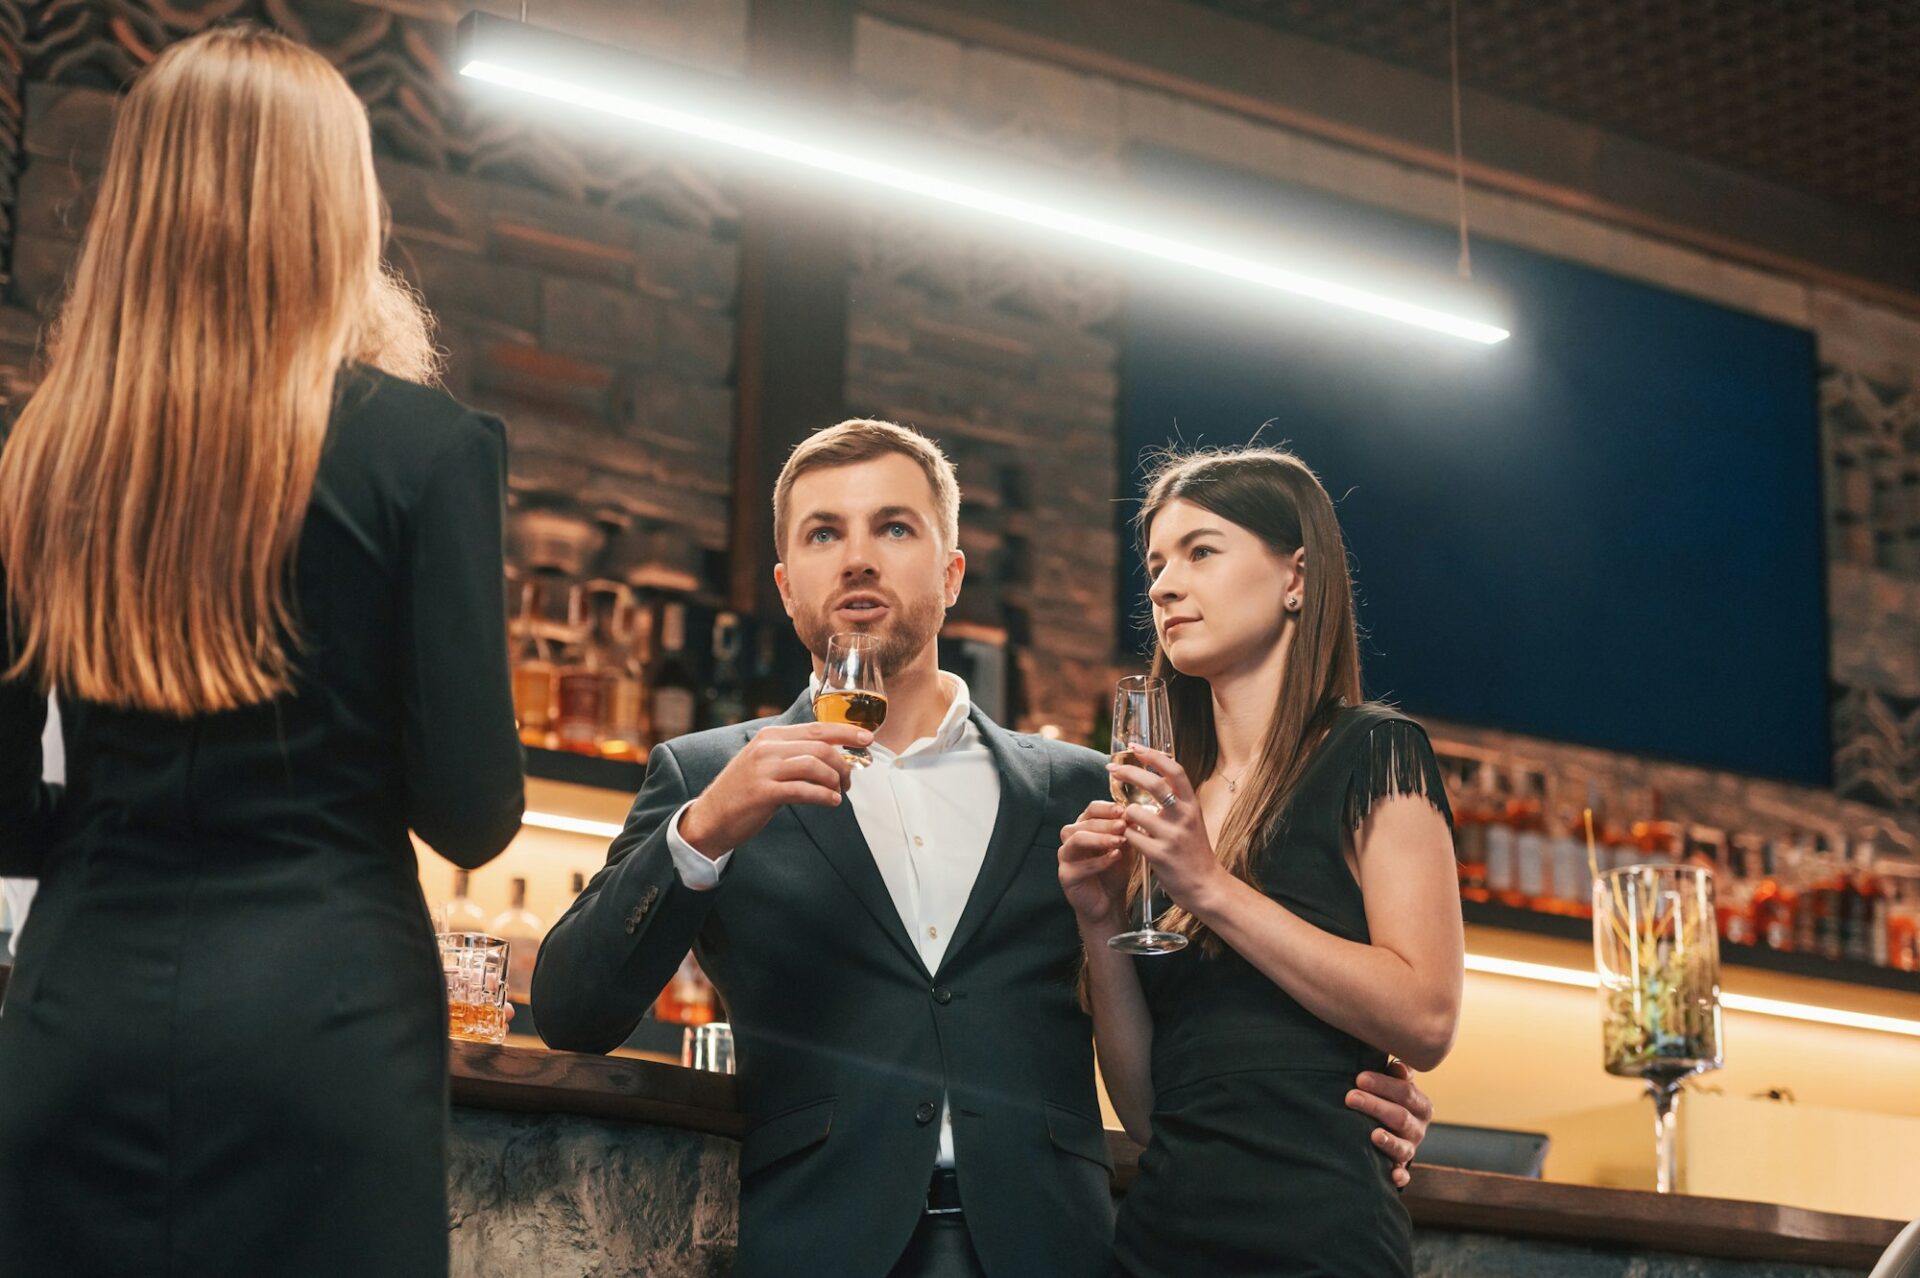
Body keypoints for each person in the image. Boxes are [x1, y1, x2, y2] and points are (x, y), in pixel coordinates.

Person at [533, 420, 1434, 1278]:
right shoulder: (706, 775)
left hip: (1062, 1249)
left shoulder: (1092, 788)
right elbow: (571, 1012)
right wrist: (702, 834)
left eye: (893, 527)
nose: (857, 557)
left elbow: (1206, 1035)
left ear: (953, 572)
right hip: (821, 1245)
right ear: (785, 585)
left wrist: (1342, 1099)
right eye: (821, 534)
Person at [0, 25, 524, 1277]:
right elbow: (473, 813)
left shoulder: (40, 460)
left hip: (80, 1021)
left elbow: (7, 817)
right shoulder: (425, 450)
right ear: (341, 204)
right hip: (325, 1036)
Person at [1060, 446, 1465, 1277]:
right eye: (1157, 564)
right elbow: (1144, 1110)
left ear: (1297, 576)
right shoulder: (1173, 806)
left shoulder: (1374, 752)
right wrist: (1099, 919)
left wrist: (1208, 887)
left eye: (1201, 551)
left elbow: (1426, 1018)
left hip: (1318, 1238)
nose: (1165, 586)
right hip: (1159, 1239)